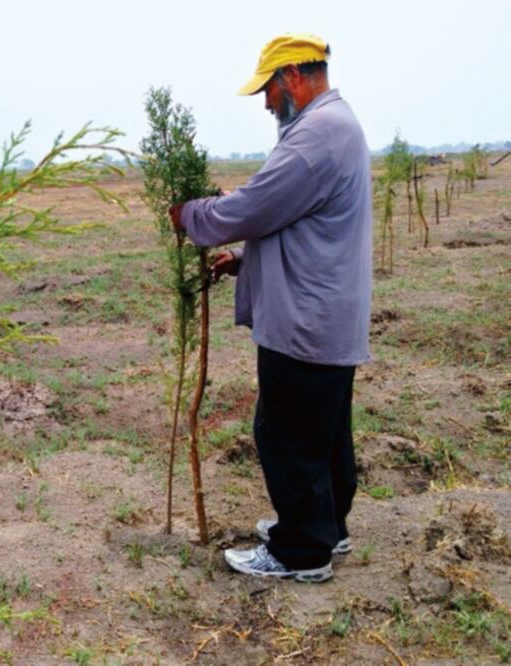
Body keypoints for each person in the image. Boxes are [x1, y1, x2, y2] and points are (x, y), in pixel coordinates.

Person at [169, 34, 372, 582]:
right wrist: (243, 261)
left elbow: (256, 206)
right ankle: (329, 526)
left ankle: (301, 552)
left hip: (305, 318)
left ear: (293, 78)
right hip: (327, 310)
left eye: (267, 89)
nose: (264, 103)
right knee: (324, 430)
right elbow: (295, 219)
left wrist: (191, 217)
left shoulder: (315, 136)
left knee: (286, 432)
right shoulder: (335, 124)